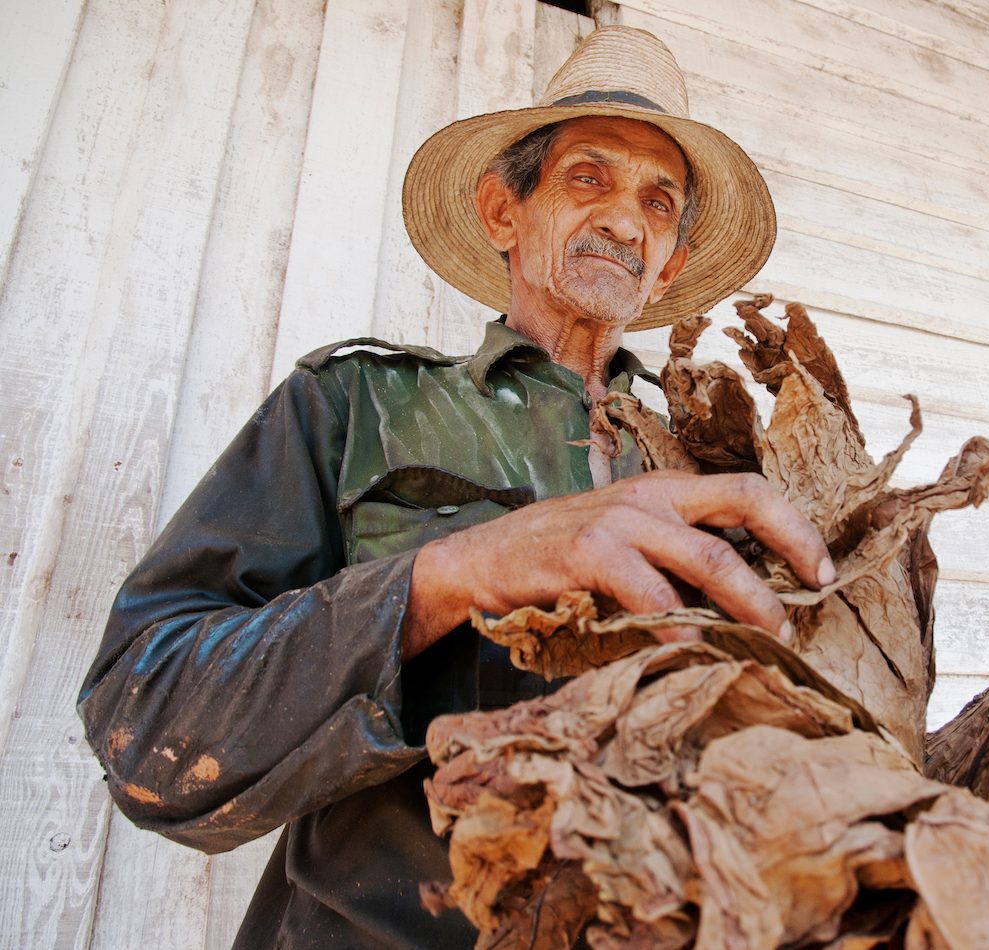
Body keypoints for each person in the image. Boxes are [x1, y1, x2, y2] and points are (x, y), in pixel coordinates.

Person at [78, 27, 832, 947]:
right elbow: (145, 720)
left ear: (671, 262)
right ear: (503, 212)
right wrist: (447, 575)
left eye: (658, 201)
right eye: (588, 178)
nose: (625, 220)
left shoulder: (717, 476)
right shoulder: (357, 405)